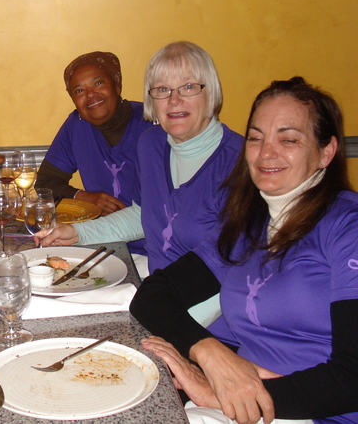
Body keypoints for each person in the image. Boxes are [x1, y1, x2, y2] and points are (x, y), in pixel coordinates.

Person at [130, 77, 358, 424]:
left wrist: (223, 393)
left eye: (289, 139)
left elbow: (352, 379)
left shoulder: (347, 226)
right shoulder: (249, 226)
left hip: (318, 414)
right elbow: (154, 295)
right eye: (255, 138)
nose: (266, 152)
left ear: (326, 152)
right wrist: (210, 354)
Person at [36, 42, 243, 278]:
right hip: (154, 279)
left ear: (212, 91)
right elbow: (141, 215)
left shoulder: (243, 163)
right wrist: (77, 232)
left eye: (188, 87)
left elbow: (238, 267)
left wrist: (158, 301)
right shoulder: (152, 143)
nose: (174, 100)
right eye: (163, 89)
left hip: (202, 299)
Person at [35, 51, 153, 251]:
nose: (90, 95)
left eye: (98, 83)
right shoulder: (77, 126)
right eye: (79, 91)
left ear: (117, 85)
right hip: (100, 243)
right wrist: (84, 196)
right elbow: (45, 184)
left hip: (155, 249)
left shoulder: (152, 124)